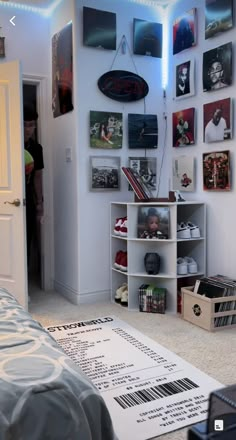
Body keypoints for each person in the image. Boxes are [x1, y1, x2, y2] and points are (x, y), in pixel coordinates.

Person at [24, 106, 44, 266]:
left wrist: (40, 202)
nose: (28, 129)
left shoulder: (36, 148)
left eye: (31, 125)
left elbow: (38, 176)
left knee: (27, 236)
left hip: (28, 197)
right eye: (24, 124)